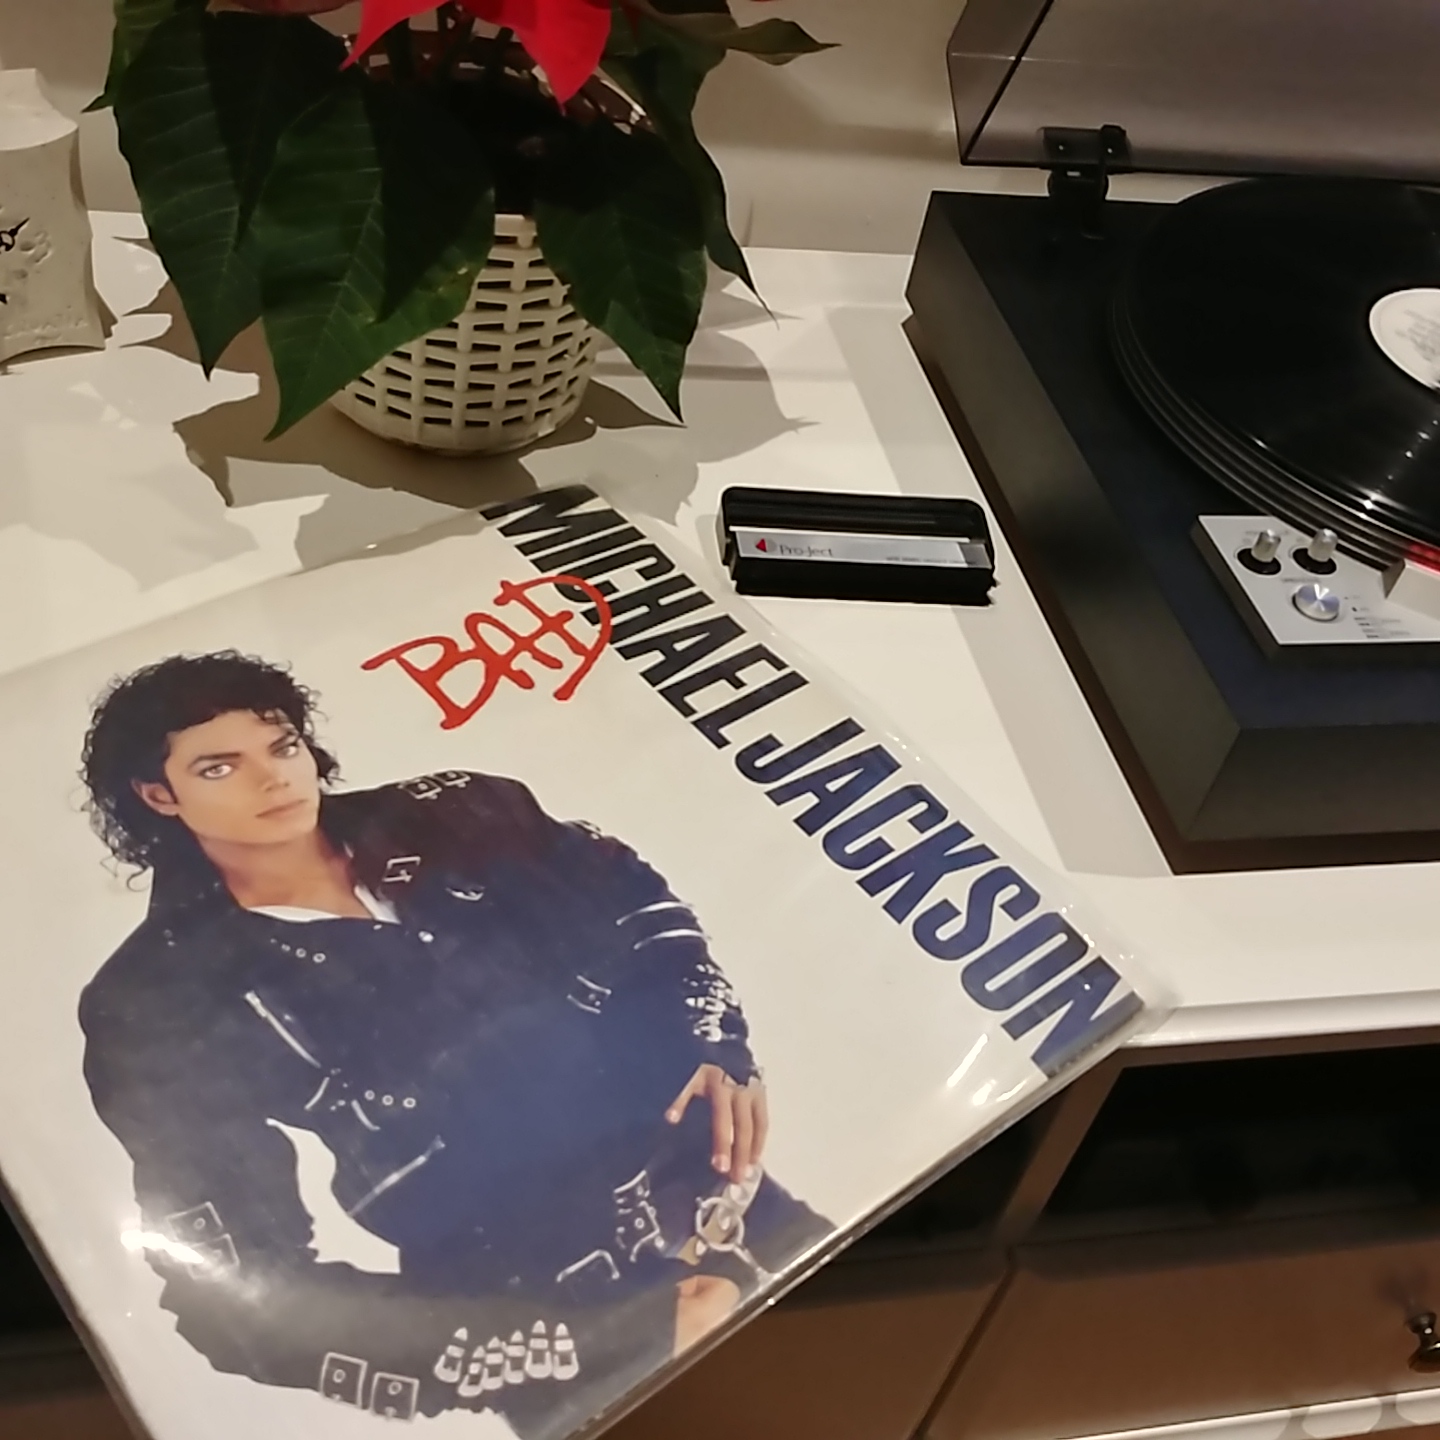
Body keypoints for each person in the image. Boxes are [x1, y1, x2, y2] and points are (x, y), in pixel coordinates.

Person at [78, 651, 828, 1429]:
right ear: (158, 795)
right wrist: (578, 1340)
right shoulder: (159, 998)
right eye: (218, 768)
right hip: (545, 1316)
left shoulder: (454, 813)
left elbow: (626, 894)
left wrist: (707, 1036)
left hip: (738, 1212)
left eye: (282, 745)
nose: (273, 780)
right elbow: (231, 1294)